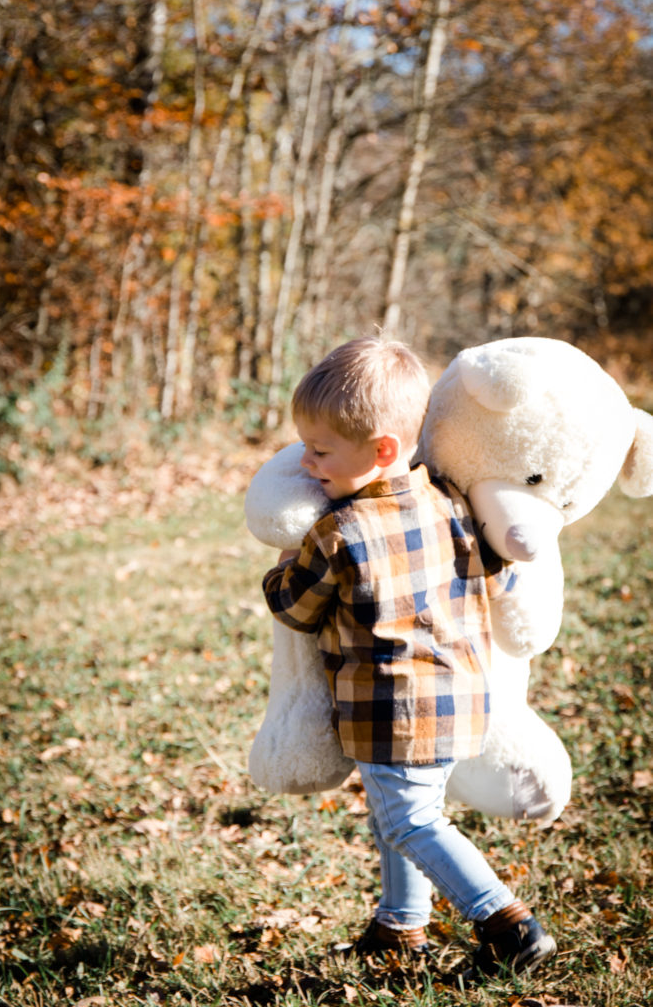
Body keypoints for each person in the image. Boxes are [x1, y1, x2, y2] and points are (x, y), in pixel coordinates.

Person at [261, 336, 557, 981]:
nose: (306, 464)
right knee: (395, 813)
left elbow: (294, 608)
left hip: (392, 706)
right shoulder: (448, 501)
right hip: (459, 697)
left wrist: (283, 565)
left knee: (412, 819)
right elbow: (491, 574)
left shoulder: (336, 534)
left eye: (319, 451)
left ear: (382, 450)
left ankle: (507, 922)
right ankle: (401, 926)